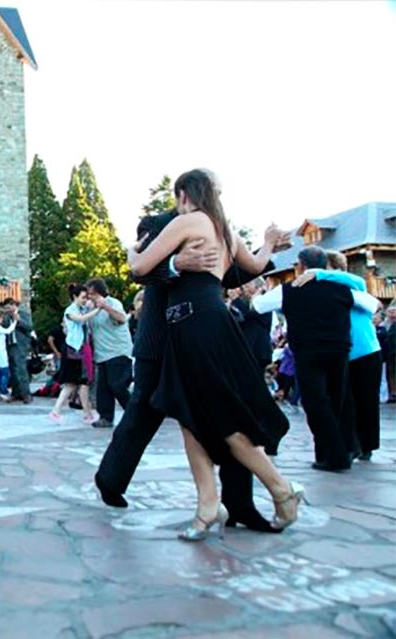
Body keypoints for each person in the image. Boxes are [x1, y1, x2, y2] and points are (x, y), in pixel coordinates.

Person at [127, 169, 302, 539]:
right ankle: (208, 505)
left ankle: (282, 489)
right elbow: (254, 267)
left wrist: (132, 250)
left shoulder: (189, 220)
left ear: (184, 195)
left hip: (194, 327)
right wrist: (269, 242)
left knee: (222, 420)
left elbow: (140, 267)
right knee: (190, 418)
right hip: (204, 324)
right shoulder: (224, 229)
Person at [252, 246, 377, 471]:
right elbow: (372, 304)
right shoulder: (341, 289)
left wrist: (257, 292)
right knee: (334, 402)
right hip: (339, 351)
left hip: (309, 352)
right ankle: (327, 455)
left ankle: (336, 455)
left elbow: (258, 306)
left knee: (316, 403)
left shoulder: (288, 290)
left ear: (300, 265)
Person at [289, 252, 382, 461]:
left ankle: (366, 445)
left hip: (365, 350)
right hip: (342, 353)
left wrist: (318, 273)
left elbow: (358, 280)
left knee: (366, 400)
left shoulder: (353, 286)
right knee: (345, 402)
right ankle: (350, 445)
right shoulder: (327, 291)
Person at [85, 278, 133, 429]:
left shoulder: (113, 303)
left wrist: (105, 307)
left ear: (100, 293)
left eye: (92, 294)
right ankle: (106, 418)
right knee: (103, 388)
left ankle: (136, 413)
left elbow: (121, 318)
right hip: (102, 353)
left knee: (117, 384)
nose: (89, 296)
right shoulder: (90, 308)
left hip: (118, 351)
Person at [49, 284, 99, 424]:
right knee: (75, 382)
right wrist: (98, 309)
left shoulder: (82, 309)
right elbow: (81, 319)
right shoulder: (70, 311)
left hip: (81, 349)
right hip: (74, 350)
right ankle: (81, 413)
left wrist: (94, 304)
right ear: (75, 297)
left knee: (80, 383)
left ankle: (84, 413)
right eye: (83, 297)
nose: (85, 300)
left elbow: (88, 311)